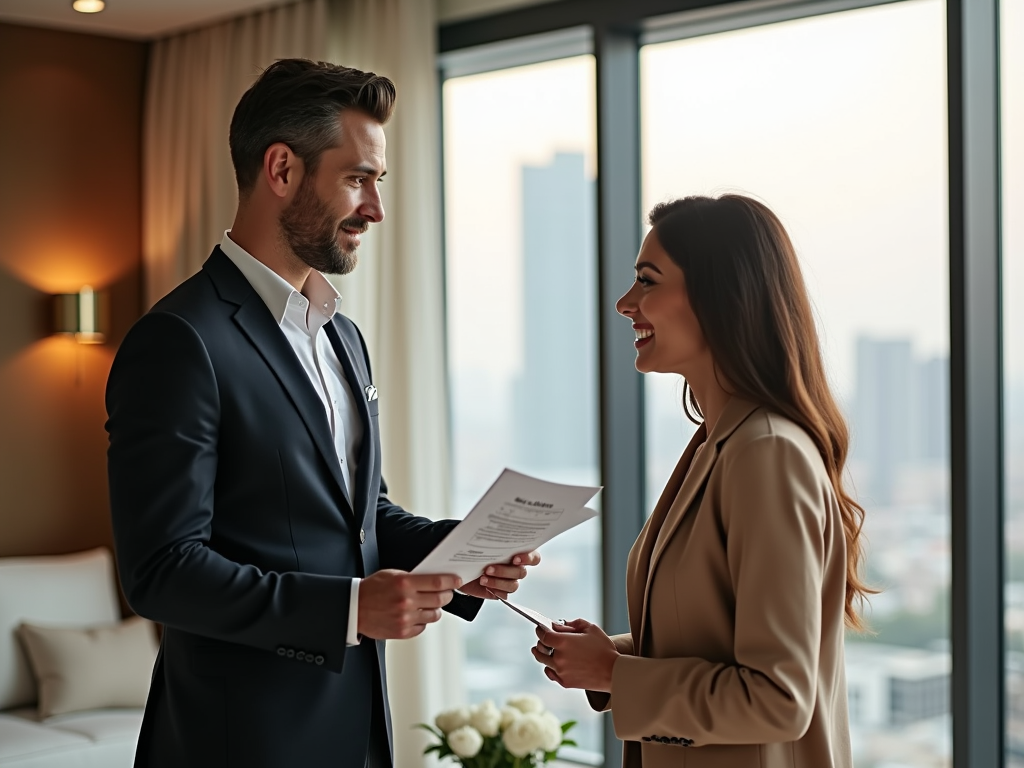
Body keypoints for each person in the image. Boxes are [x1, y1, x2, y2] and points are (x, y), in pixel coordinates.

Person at [106, 59, 539, 768]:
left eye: (379, 181)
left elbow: (359, 517)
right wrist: (348, 610)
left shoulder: (342, 335)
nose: (376, 208)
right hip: (238, 744)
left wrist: (457, 554)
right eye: (358, 178)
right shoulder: (180, 341)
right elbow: (163, 570)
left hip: (357, 733)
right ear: (281, 169)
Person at [531, 194, 867, 767]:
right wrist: (606, 657)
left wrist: (615, 673)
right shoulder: (717, 441)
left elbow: (779, 697)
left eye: (647, 281)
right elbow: (715, 641)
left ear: (720, 297)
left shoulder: (767, 453)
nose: (624, 302)